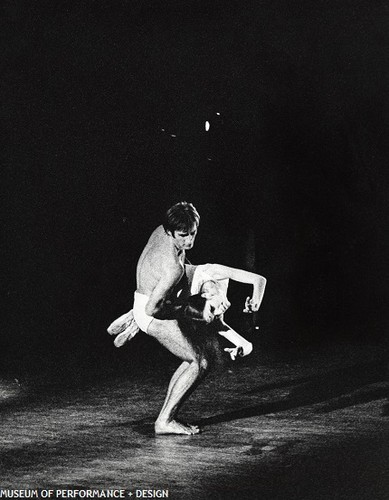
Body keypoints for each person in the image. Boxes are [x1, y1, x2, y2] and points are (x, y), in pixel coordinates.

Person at [110, 202, 227, 435]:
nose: (190, 241)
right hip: (150, 311)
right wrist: (194, 313)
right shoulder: (173, 267)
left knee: (192, 359)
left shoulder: (162, 230)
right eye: (183, 236)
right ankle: (164, 421)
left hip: (145, 295)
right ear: (171, 231)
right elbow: (154, 308)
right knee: (200, 363)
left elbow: (173, 270)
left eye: (193, 233)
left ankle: (166, 417)